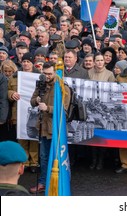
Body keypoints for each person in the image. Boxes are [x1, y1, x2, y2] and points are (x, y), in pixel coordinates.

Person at [29, 62, 71, 193]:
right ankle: (43, 182)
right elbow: (32, 100)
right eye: (44, 73)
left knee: (56, 157)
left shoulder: (63, 87)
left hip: (55, 129)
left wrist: (48, 108)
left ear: (55, 73)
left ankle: (57, 182)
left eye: (49, 74)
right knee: (44, 157)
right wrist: (36, 101)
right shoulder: (41, 84)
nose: (46, 76)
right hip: (43, 126)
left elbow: (64, 110)